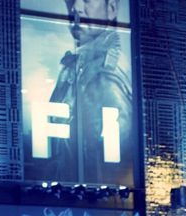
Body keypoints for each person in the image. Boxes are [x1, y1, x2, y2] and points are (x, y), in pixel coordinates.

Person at [40, 0, 133, 186]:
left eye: (87, 0)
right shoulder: (77, 66)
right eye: (70, 0)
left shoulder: (105, 75)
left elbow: (111, 163)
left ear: (111, 8)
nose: (76, 7)